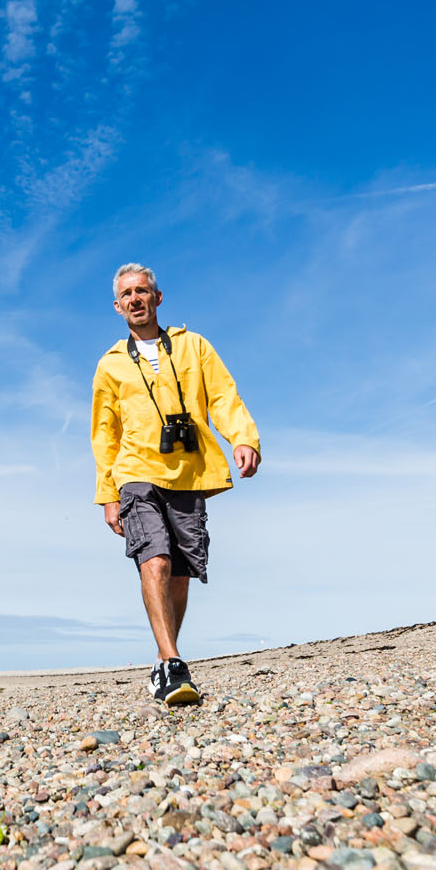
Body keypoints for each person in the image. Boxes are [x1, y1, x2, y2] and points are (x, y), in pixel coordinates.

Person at [91, 264, 260, 706]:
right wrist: (108, 493)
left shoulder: (193, 346)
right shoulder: (110, 365)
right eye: (127, 294)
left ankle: (163, 659)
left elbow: (223, 396)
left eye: (142, 291)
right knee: (156, 561)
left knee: (181, 573)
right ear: (117, 305)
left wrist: (242, 437)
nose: (135, 299)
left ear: (157, 298)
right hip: (134, 473)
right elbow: (104, 432)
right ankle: (171, 662)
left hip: (188, 472)